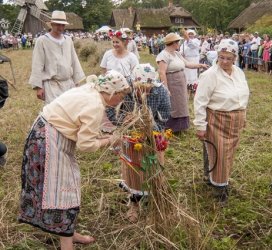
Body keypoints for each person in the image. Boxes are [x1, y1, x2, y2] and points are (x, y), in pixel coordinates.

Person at [18, 70, 130, 250]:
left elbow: (81, 123)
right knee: (65, 190)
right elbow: (85, 145)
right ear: (112, 93)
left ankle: (68, 233)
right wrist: (110, 140)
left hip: (43, 131)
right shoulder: (95, 105)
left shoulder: (90, 89)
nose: (120, 101)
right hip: (50, 140)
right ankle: (66, 243)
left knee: (61, 188)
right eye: (121, 96)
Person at [107, 63, 171, 222]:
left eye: (147, 89)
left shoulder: (161, 92)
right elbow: (110, 108)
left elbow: (164, 118)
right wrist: (123, 120)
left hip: (153, 135)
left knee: (154, 167)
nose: (142, 92)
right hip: (130, 135)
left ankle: (156, 197)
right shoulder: (126, 90)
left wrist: (148, 123)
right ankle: (134, 202)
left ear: (152, 85)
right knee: (134, 169)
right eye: (139, 87)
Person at [194, 39, 250, 203]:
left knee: (225, 153)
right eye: (221, 57)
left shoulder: (239, 72)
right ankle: (219, 189)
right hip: (217, 119)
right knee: (218, 153)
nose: (224, 61)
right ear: (217, 56)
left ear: (235, 58)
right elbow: (200, 101)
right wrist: (200, 125)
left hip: (234, 121)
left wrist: (243, 115)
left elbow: (243, 95)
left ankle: (211, 178)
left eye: (228, 58)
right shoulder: (210, 75)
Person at [29, 11, 85, 105]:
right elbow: (37, 64)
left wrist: (76, 81)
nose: (61, 27)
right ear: (52, 24)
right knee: (54, 115)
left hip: (68, 84)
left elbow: (74, 60)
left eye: (63, 25)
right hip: (52, 86)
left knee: (70, 111)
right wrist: (38, 87)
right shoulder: (42, 41)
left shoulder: (68, 40)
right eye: (58, 25)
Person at [156, 32, 207, 134]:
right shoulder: (163, 55)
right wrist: (166, 88)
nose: (179, 44)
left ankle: (181, 127)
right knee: (173, 104)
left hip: (180, 82)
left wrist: (200, 65)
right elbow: (162, 73)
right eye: (178, 42)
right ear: (173, 43)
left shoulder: (176, 54)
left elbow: (187, 64)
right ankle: (171, 127)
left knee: (181, 103)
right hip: (171, 82)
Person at [100, 30, 139, 132]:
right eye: (113, 42)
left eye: (117, 42)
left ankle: (124, 127)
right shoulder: (108, 54)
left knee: (125, 107)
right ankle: (108, 129)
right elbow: (103, 69)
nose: (115, 44)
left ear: (125, 42)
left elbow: (136, 72)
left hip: (125, 87)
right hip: (109, 86)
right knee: (109, 107)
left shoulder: (131, 56)